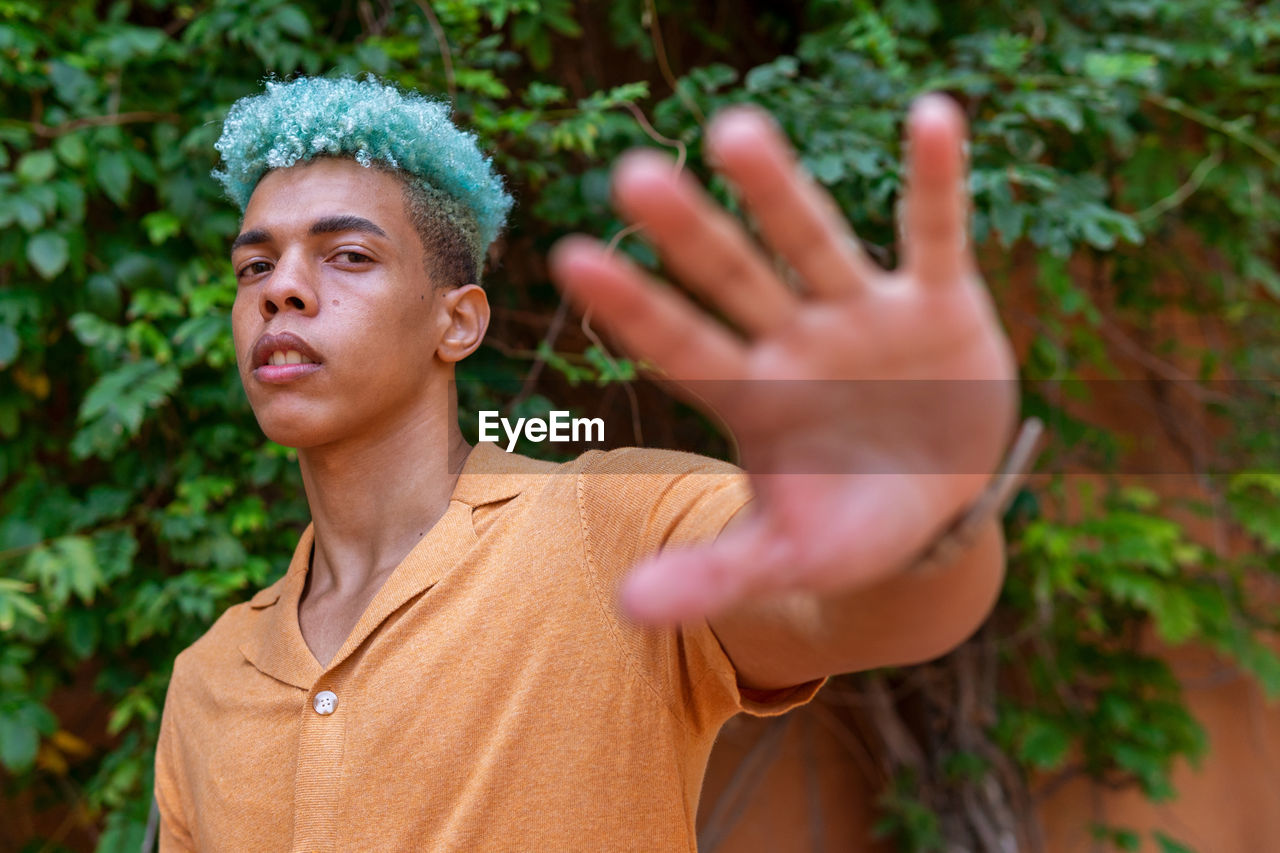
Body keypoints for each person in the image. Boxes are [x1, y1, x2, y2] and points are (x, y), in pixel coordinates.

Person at [154, 75, 1022, 851]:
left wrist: (918, 515)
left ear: (457, 322)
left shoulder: (616, 523)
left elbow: (852, 609)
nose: (280, 288)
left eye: (349, 255)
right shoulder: (208, 675)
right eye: (254, 264)